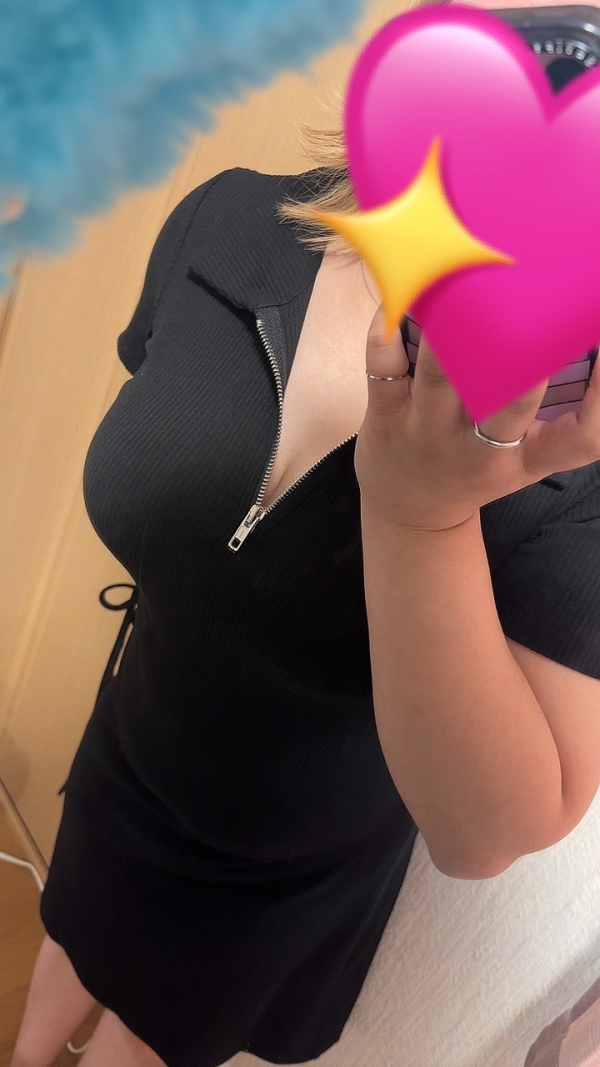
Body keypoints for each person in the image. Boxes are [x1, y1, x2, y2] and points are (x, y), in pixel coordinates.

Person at [10, 3, 600, 1065]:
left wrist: (421, 513)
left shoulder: (574, 458)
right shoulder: (232, 218)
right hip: (124, 762)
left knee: (141, 1044)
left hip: (274, 891)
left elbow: (487, 832)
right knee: (63, 951)